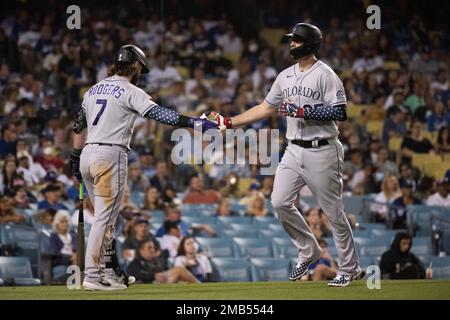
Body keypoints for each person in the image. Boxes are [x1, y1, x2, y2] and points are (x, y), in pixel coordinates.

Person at [203, 23, 360, 286]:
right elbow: (265, 107)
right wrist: (229, 122)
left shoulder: (326, 74)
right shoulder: (285, 76)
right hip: (293, 149)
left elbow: (339, 111)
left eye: (296, 41)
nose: (291, 44)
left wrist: (303, 112)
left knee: (333, 213)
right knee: (278, 201)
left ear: (310, 44)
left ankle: (348, 268)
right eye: (291, 41)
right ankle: (309, 249)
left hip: (322, 149)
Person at [70, 44, 217, 291]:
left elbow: (77, 126)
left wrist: (75, 158)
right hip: (110, 154)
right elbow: (161, 115)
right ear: (136, 65)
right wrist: (194, 122)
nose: (141, 72)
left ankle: (110, 274)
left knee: (106, 221)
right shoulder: (130, 90)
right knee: (104, 220)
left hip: (87, 153)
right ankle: (93, 277)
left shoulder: (93, 89)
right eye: (141, 68)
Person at [126, 239, 199, 284]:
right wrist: (153, 276)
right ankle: (200, 286)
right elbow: (134, 275)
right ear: (141, 251)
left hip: (164, 281)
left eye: (153, 247)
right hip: (151, 284)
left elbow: (166, 270)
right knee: (179, 269)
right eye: (149, 248)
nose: (153, 250)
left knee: (183, 281)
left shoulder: (157, 260)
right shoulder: (135, 263)